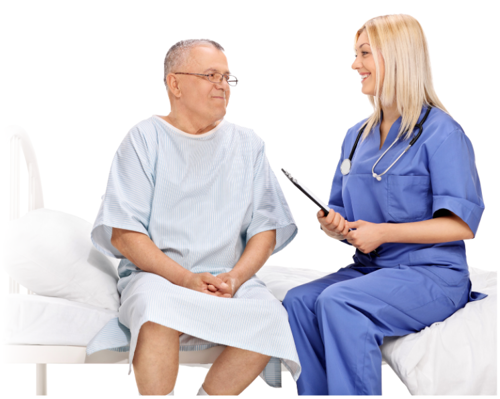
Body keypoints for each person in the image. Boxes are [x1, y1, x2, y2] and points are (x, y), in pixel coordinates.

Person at [282, 14, 486, 396]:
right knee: (298, 301)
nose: (354, 64)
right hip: (372, 271)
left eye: (364, 53)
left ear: (396, 57)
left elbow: (463, 225)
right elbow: (347, 216)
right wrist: (337, 227)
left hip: (431, 276)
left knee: (340, 302)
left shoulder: (442, 132)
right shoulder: (356, 137)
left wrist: (383, 233)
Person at [86, 39, 300, 396]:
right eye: (210, 74)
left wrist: (234, 278)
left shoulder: (247, 144)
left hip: (230, 277)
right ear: (175, 84)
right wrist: (185, 279)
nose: (221, 85)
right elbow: (125, 233)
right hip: (159, 275)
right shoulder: (144, 139)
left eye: (227, 78)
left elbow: (266, 228)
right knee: (156, 312)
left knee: (271, 319)